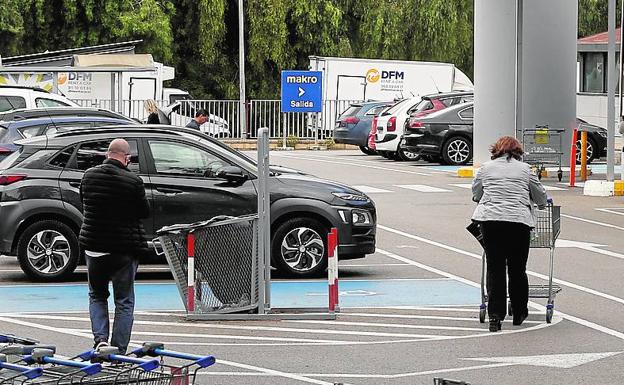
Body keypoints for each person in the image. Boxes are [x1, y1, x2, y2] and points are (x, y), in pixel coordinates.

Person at [79, 139, 150, 352]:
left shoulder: (89, 176)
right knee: (124, 300)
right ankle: (118, 350)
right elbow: (144, 212)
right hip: (123, 250)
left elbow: (84, 202)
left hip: (94, 247)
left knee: (97, 295)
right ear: (126, 158)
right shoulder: (133, 181)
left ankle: (100, 340)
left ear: (107, 155)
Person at [471, 136, 547, 332]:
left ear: (496, 149)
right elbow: (540, 195)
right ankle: (519, 312)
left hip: (491, 222)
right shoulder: (525, 170)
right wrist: (539, 203)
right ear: (517, 151)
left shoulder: (485, 168)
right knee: (517, 268)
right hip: (518, 222)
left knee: (495, 268)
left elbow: (477, 193)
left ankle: (495, 316)